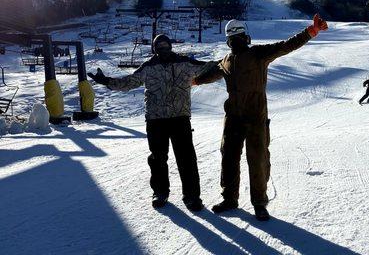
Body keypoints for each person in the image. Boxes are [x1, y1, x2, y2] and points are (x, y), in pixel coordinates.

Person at [193, 14, 328, 221]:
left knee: (257, 159)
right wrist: (197, 81)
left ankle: (259, 202)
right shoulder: (227, 61)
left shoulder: (258, 54)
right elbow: (212, 73)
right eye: (236, 38)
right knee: (230, 158)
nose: (237, 41)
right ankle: (231, 198)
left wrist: (310, 32)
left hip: (255, 117)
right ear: (241, 37)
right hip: (234, 118)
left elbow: (286, 46)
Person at [89, 34, 215, 211]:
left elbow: (210, 68)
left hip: (180, 118)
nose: (163, 50)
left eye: (166, 46)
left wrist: (231, 60)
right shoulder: (149, 67)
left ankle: (192, 196)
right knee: (157, 158)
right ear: (155, 49)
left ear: (171, 46)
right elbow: (129, 82)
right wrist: (107, 81)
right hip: (156, 120)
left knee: (186, 158)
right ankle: (160, 192)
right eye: (159, 47)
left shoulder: (184, 63)